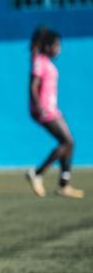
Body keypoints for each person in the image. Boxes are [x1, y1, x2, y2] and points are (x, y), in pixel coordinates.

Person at [24, 29, 84, 199]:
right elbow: (33, 86)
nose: (59, 49)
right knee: (66, 142)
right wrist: (38, 106)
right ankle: (38, 173)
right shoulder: (39, 62)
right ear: (47, 46)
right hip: (44, 110)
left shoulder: (46, 62)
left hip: (52, 108)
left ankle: (64, 185)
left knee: (69, 143)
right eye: (56, 45)